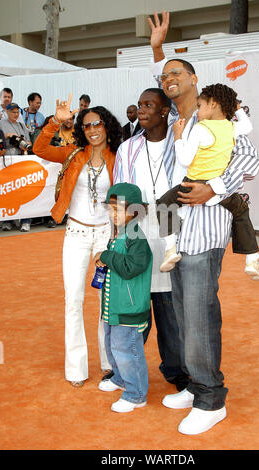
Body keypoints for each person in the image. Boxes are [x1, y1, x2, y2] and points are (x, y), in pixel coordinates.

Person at [147, 11, 259, 435]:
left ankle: (212, 399)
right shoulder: (179, 120)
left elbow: (249, 160)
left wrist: (214, 187)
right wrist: (158, 48)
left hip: (207, 231)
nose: (168, 79)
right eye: (164, 77)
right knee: (181, 312)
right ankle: (196, 386)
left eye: (176, 73)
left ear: (195, 79)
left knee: (197, 314)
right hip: (181, 232)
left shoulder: (218, 113)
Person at [33, 93, 122, 388]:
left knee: (106, 302)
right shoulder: (73, 153)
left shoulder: (119, 157)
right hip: (76, 233)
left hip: (106, 237)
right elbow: (40, 148)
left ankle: (110, 364)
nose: (92, 129)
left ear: (107, 126)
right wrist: (54, 123)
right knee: (73, 300)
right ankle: (76, 368)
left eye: (97, 123)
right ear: (81, 130)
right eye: (86, 125)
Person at [114, 87, 189, 391]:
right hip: (138, 235)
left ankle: (177, 371)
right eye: (139, 105)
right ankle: (125, 372)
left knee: (170, 311)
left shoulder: (181, 143)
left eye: (149, 105)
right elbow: (119, 193)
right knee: (133, 307)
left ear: (164, 112)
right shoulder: (127, 148)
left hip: (173, 237)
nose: (141, 110)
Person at [157, 84, 259, 279]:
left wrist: (178, 136)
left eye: (200, 105)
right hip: (219, 189)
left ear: (213, 104)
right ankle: (252, 260)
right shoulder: (233, 127)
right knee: (241, 213)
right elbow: (248, 126)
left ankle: (170, 249)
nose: (197, 111)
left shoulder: (200, 128)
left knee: (163, 205)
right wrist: (237, 109)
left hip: (191, 185)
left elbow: (185, 159)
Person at [95, 183, 152, 412]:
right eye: (111, 208)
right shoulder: (120, 233)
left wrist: (107, 255)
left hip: (129, 308)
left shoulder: (136, 235)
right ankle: (120, 378)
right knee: (112, 345)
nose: (113, 214)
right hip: (114, 306)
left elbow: (131, 268)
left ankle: (136, 394)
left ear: (136, 211)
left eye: (120, 209)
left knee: (126, 350)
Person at [0, 102, 32, 232]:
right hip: (5, 161)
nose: (16, 114)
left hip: (20, 160)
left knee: (24, 191)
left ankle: (26, 220)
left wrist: (22, 142)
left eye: (17, 112)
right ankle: (7, 220)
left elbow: (29, 142)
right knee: (8, 191)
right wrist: (8, 136)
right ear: (7, 112)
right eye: (13, 112)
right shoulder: (1, 123)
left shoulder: (22, 125)